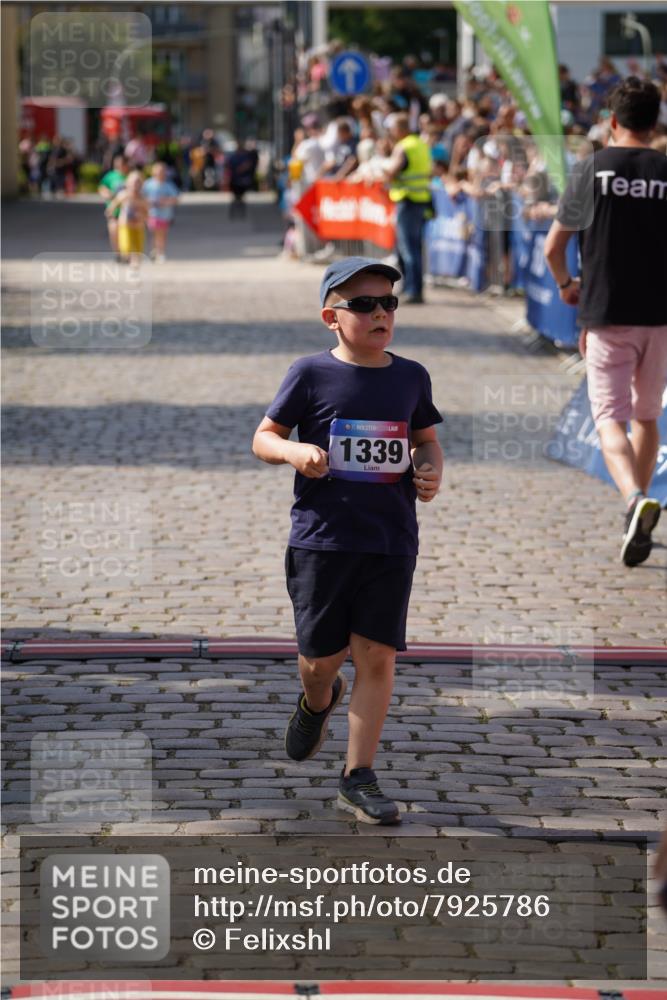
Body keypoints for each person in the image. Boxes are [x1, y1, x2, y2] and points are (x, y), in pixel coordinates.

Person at [252, 257, 443, 824]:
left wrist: (430, 470)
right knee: (320, 661)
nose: (381, 313)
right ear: (331, 316)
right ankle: (318, 699)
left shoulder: (411, 376)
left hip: (391, 539)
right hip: (322, 540)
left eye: (389, 303)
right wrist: (294, 451)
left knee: (377, 656)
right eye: (364, 304)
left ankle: (358, 776)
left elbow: (426, 440)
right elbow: (264, 438)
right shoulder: (309, 373)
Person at [545, 76, 667, 567]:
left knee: (609, 418)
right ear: (655, 121)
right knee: (647, 417)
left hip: (606, 312)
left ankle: (634, 500)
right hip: (659, 318)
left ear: (612, 121)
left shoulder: (591, 170)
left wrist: (565, 284)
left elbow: (553, 247)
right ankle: (637, 508)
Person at [382, 113, 433, 304]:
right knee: (414, 247)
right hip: (421, 199)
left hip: (407, 199)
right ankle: (412, 288)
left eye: (392, 128)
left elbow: (391, 172)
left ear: (400, 128)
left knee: (408, 248)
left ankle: (413, 290)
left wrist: (382, 168)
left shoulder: (403, 146)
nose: (391, 132)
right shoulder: (421, 144)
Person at [106, 170, 148, 266]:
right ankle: (129, 259)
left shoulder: (143, 198)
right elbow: (113, 205)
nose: (135, 185)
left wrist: (143, 216)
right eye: (133, 182)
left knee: (138, 248)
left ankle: (135, 262)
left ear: (141, 184)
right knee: (125, 246)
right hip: (125, 225)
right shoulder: (123, 195)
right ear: (127, 183)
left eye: (138, 182)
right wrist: (110, 212)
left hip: (138, 226)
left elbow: (147, 212)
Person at [143, 161, 179, 261]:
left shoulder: (168, 185)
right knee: (155, 233)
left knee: (162, 234)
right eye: (158, 171)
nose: (160, 173)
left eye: (162, 171)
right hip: (152, 214)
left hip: (165, 215)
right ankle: (156, 251)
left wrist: (166, 201)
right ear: (153, 172)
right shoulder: (148, 184)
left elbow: (176, 199)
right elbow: (142, 196)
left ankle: (160, 251)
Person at [98, 154, 129, 257]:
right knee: (114, 230)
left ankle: (126, 252)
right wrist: (107, 194)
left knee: (126, 232)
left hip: (127, 210)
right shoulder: (110, 176)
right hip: (114, 209)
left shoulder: (130, 176)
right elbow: (102, 187)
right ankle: (118, 253)